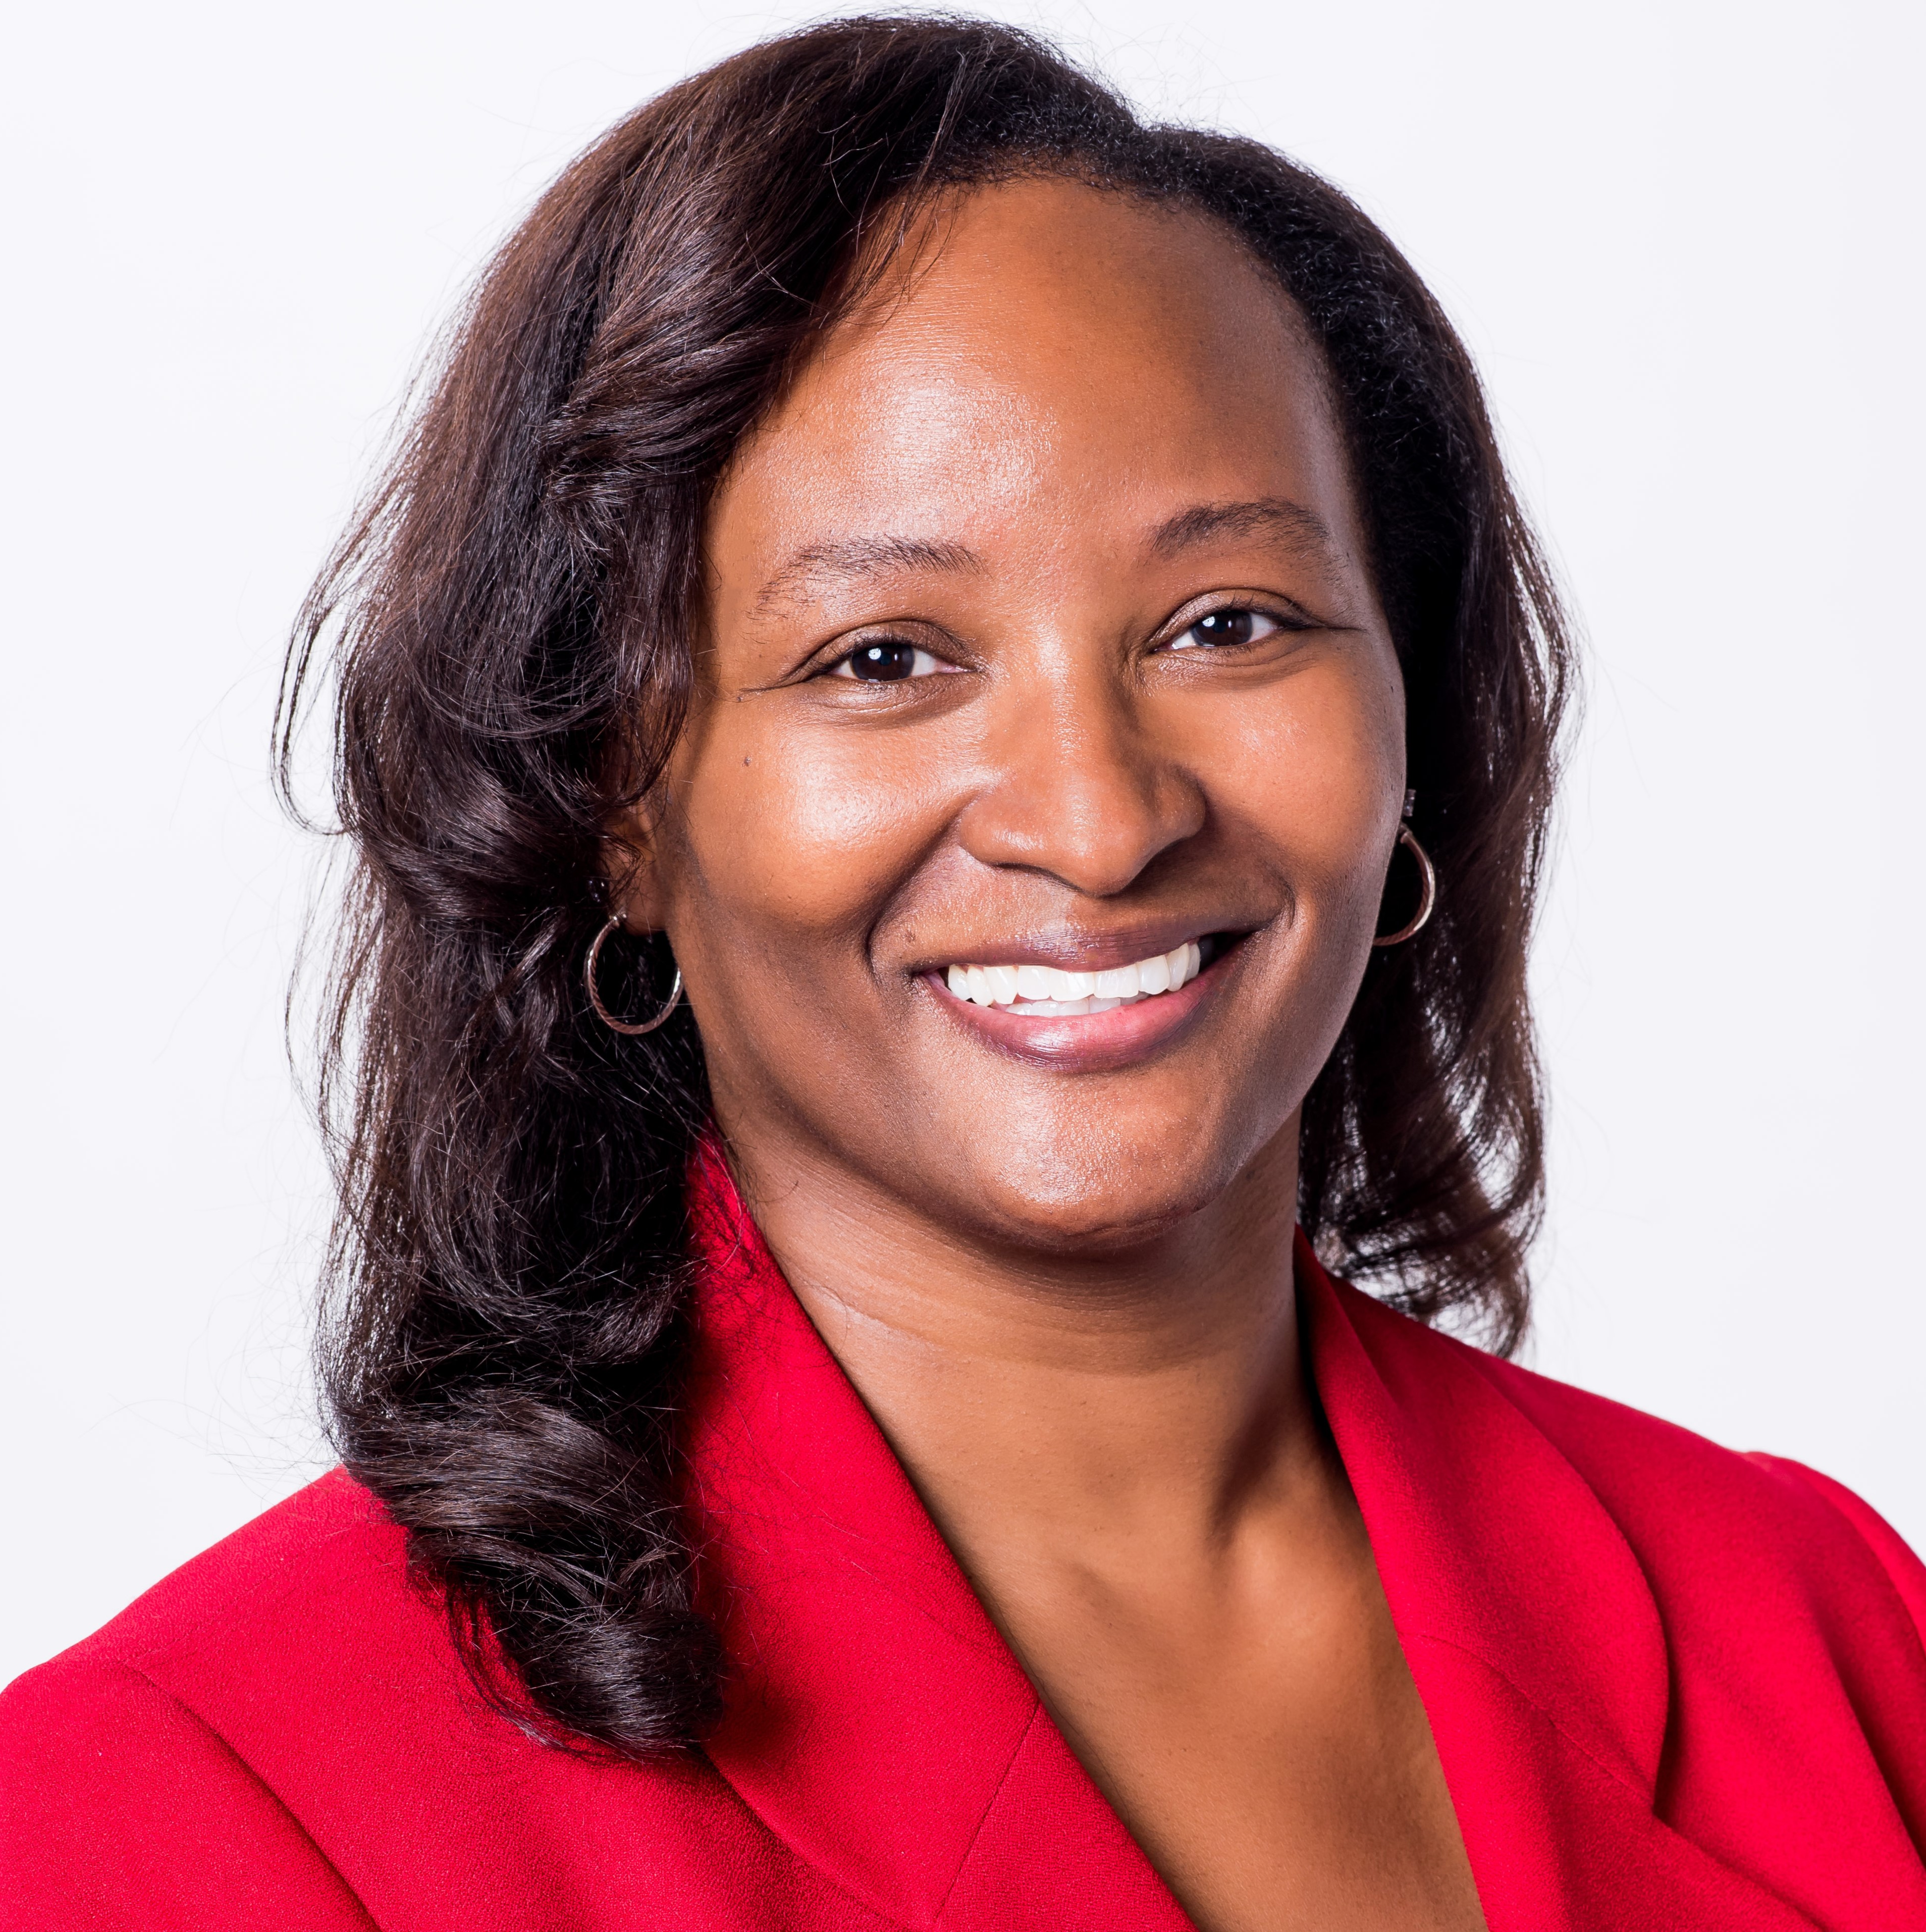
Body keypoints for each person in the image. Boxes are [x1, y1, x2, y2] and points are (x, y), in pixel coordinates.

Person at [4, 16, 1922, 1930]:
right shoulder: (174, 1814)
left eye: (1228, 622)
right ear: (612, 804)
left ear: (1410, 713)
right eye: (883, 658)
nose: (1099, 820)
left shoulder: (1836, 1631)